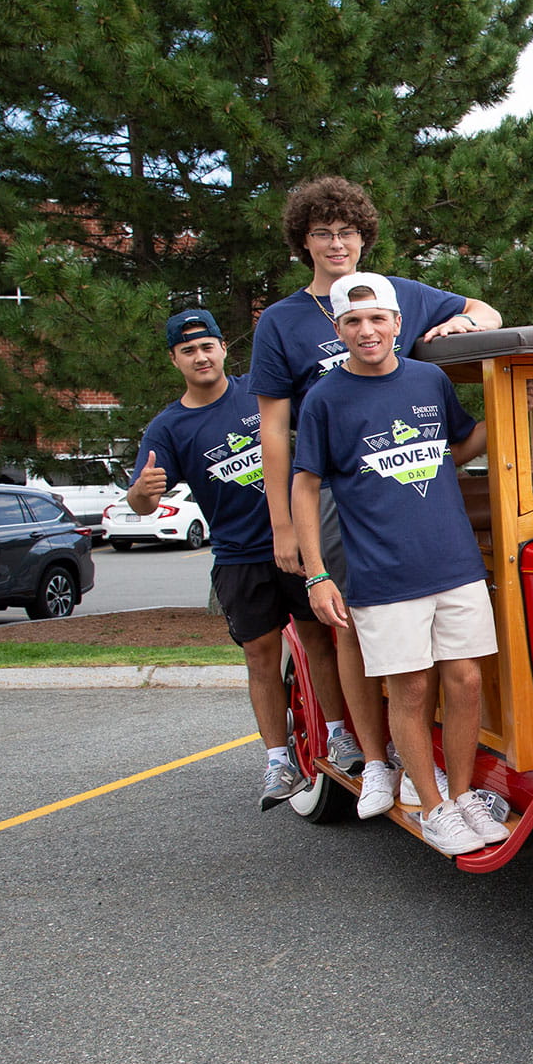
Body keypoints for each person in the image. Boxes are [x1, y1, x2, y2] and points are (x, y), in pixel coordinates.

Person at [248, 176, 501, 810]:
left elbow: (488, 313)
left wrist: (458, 325)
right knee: (356, 626)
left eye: (348, 232)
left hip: (411, 481)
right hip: (337, 483)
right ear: (302, 241)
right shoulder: (281, 321)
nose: (337, 243)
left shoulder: (402, 296)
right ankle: (379, 758)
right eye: (323, 233)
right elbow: (275, 429)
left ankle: (428, 760)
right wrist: (282, 521)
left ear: (364, 238)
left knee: (435, 642)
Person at [290, 274, 506, 858]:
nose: (367, 330)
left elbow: (452, 447)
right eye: (353, 322)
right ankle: (431, 809)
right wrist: (317, 573)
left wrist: (510, 414)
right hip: (380, 572)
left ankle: (459, 797)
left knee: (463, 682)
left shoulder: (428, 378)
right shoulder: (325, 399)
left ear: (396, 324)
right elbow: (305, 486)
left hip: (454, 561)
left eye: (377, 319)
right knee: (409, 689)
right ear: (339, 330)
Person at [127, 310, 341, 810]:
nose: (201, 357)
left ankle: (339, 736)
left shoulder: (260, 394)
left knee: (319, 639)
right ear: (174, 360)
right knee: (261, 657)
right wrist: (142, 492)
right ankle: (277, 761)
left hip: (300, 545)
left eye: (208, 346)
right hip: (239, 557)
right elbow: (142, 502)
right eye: (188, 351)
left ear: (224, 349)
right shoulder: (168, 427)